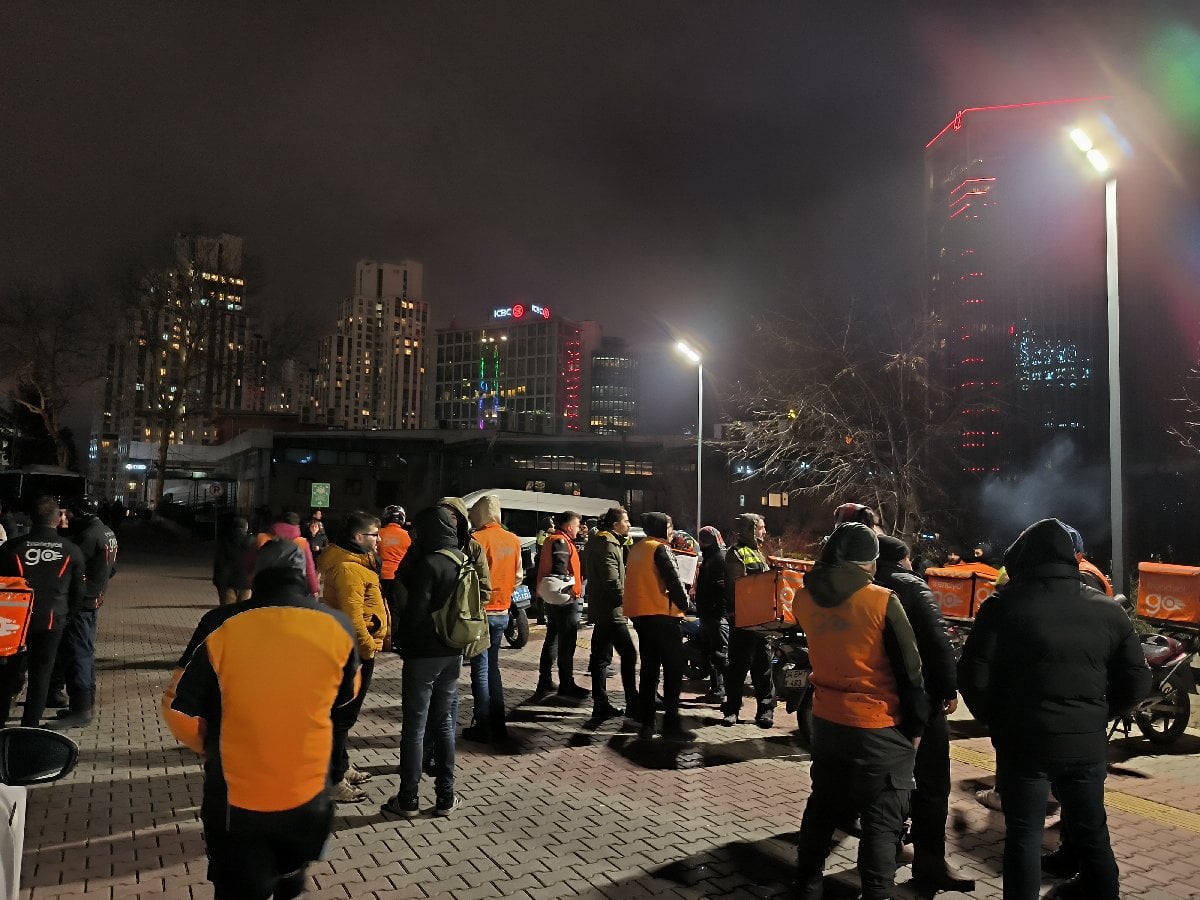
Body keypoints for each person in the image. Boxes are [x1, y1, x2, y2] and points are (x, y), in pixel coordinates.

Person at [958, 518, 1151, 900]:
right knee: (1092, 832)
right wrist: (1097, 716)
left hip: (1023, 743)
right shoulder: (1108, 610)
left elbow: (971, 676)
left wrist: (997, 720)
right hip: (1085, 746)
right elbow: (1138, 682)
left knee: (1024, 836)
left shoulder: (1001, 606)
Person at [163, 538, 361, 900]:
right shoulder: (338, 626)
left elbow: (179, 710)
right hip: (308, 795)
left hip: (237, 800)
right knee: (291, 877)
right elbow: (347, 700)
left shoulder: (220, 623)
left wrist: (210, 746)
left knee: (238, 888)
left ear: (256, 574)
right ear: (304, 574)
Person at [792, 523, 930, 900]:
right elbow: (911, 671)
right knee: (882, 824)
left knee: (822, 806)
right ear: (867, 561)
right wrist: (917, 726)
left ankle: (806, 885)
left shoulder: (803, 598)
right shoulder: (881, 600)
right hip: (878, 725)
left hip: (827, 722)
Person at [875, 535, 974, 893]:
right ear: (902, 559)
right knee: (931, 784)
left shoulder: (863, 586)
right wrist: (948, 689)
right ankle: (930, 864)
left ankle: (885, 853)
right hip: (920, 700)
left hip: (876, 700)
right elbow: (936, 641)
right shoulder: (912, 586)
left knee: (886, 783)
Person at [382, 505, 472, 818]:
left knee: (415, 727)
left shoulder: (428, 563)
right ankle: (446, 796)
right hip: (453, 649)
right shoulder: (461, 558)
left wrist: (402, 639)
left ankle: (408, 799)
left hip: (423, 653)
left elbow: (415, 613)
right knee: (444, 723)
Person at [316, 511, 389, 803]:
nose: (379, 540)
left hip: (354, 648)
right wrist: (368, 647)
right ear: (358, 537)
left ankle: (341, 766)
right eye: (374, 535)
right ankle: (334, 779)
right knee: (342, 716)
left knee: (344, 716)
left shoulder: (356, 562)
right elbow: (353, 617)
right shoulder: (349, 568)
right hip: (354, 650)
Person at [0, 496, 85, 728]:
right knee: (41, 675)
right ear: (58, 520)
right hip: (50, 620)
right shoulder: (72, 550)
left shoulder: (11, 548)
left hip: (13, 621)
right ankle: (30, 727)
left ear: (30, 519)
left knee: (7, 673)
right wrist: (65, 617)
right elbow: (79, 592)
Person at [49, 496, 118, 729]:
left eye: (70, 512)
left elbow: (69, 566)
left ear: (80, 514)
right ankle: (84, 705)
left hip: (82, 604)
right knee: (85, 651)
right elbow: (112, 569)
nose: (67, 516)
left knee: (78, 653)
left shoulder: (88, 536)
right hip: (93, 600)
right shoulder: (106, 531)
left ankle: (80, 710)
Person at [625, 512, 692, 740]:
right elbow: (673, 580)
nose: (671, 531)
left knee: (649, 669)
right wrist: (686, 604)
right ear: (661, 527)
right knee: (673, 669)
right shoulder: (660, 548)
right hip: (663, 615)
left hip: (641, 616)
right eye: (670, 526)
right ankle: (671, 721)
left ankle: (648, 722)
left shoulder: (637, 549)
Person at [465, 495, 522, 742]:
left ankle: (483, 723)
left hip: (482, 611)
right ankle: (498, 721)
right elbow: (518, 576)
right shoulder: (513, 540)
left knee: (480, 669)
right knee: (493, 667)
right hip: (502, 611)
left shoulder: (476, 539)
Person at [583, 506, 639, 722]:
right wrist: (629, 601)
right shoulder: (607, 544)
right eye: (626, 521)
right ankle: (632, 703)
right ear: (615, 524)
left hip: (603, 610)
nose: (629, 525)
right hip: (611, 611)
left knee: (600, 658)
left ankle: (600, 704)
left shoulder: (604, 541)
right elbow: (612, 582)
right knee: (628, 654)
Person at [721, 513, 775, 728]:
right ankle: (732, 710)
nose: (764, 531)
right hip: (744, 620)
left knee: (763, 666)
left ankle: (765, 711)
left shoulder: (759, 552)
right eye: (760, 527)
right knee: (738, 667)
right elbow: (739, 586)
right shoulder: (736, 553)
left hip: (761, 620)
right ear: (751, 529)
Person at [535, 510, 589, 698]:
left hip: (552, 596)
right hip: (565, 598)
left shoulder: (552, 539)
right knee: (566, 642)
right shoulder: (561, 542)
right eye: (577, 525)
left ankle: (545, 681)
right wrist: (570, 589)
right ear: (569, 526)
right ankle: (566, 684)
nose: (578, 529)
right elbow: (560, 567)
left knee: (552, 637)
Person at [247, 511, 320, 599]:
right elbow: (309, 569)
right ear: (297, 526)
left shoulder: (261, 538)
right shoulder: (302, 543)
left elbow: (249, 564)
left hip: (263, 589)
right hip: (294, 591)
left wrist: (249, 584)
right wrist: (313, 589)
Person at [694, 525, 728, 704]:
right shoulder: (711, 557)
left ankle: (725, 690)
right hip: (708, 614)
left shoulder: (718, 558)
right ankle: (717, 689)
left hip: (715, 616)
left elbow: (721, 589)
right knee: (714, 654)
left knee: (720, 654)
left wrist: (717, 612)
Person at [212, 515, 254, 606]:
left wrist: (218, 581)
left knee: (227, 610)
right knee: (243, 610)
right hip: (246, 582)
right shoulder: (253, 542)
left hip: (226, 582)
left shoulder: (223, 541)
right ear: (246, 528)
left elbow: (219, 562)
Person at [378, 504, 411, 614]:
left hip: (379, 576)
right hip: (398, 578)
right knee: (395, 610)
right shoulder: (407, 536)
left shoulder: (378, 534)